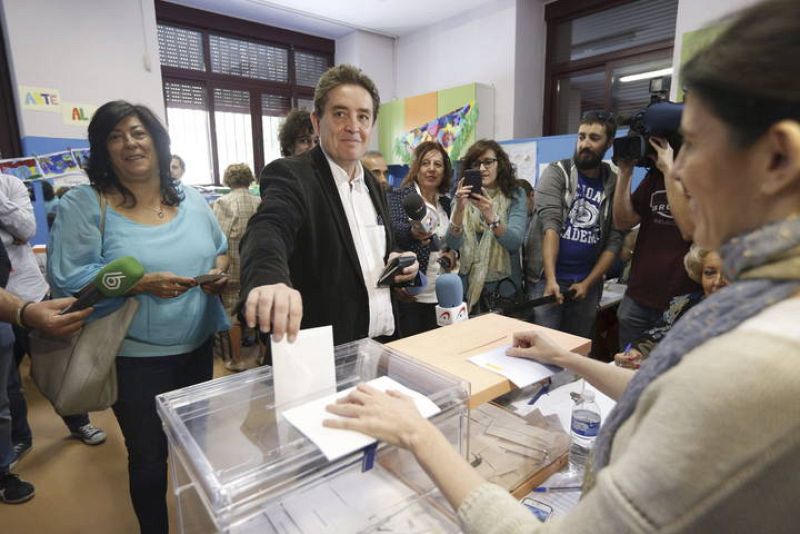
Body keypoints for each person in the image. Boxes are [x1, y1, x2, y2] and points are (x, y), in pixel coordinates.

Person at [324, 1, 800, 530]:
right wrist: (563, 357)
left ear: (777, 159)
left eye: (694, 144)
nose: (678, 171)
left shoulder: (760, 363)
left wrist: (418, 433)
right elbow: (667, 392)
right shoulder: (760, 307)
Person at [48, 100, 230, 533]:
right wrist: (140, 282)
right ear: (103, 149)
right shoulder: (87, 204)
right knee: (149, 459)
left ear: (157, 141)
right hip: (135, 359)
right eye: (115, 136)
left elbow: (219, 249)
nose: (129, 143)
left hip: (197, 348)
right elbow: (68, 277)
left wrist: (217, 273)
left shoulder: (190, 198)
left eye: (138, 132)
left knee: (194, 445)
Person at [239, 65, 418, 346]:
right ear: (316, 121)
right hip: (321, 352)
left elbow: (375, 245)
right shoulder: (292, 175)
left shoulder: (373, 184)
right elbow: (268, 228)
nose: (353, 127)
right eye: (340, 114)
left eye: (363, 116)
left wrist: (396, 256)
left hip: (381, 343)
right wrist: (268, 278)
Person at [0, 173, 106, 473]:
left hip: (31, 294)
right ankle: (20, 437)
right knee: (8, 382)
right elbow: (13, 236)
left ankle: (79, 422)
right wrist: (10, 236)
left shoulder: (10, 184)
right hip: (3, 307)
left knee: (58, 365)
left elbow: (27, 229)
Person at [525, 111, 625, 338]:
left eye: (594, 138)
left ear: (609, 143)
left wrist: (588, 283)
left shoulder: (613, 183)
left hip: (587, 283)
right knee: (543, 345)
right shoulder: (557, 173)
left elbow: (615, 240)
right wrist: (551, 279)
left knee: (576, 346)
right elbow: (550, 226)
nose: (585, 144)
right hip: (547, 280)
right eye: (581, 137)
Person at [612, 135, 699, 349]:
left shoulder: (702, 179)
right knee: (628, 363)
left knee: (668, 366)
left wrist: (669, 169)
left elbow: (689, 230)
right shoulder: (654, 177)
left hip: (680, 302)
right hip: (638, 296)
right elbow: (623, 221)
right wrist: (625, 172)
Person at [446, 139, 527, 311]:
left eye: (488, 162)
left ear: (500, 164)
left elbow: (514, 242)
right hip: (467, 290)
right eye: (476, 164)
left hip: (504, 291)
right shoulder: (462, 197)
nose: (482, 169)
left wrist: (491, 216)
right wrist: (459, 209)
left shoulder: (515, 194)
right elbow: (452, 243)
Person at [615, 246, 727, 369]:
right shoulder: (685, 304)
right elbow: (657, 337)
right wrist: (635, 353)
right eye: (710, 273)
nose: (717, 282)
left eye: (729, 273)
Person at [387, 141, 455, 336]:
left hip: (443, 294)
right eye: (425, 163)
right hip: (413, 294)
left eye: (438, 164)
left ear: (444, 171)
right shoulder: (400, 196)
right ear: (416, 168)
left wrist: (453, 252)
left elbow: (453, 238)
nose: (431, 169)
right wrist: (413, 233)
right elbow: (395, 230)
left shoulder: (447, 202)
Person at [211, 163, 261, 371]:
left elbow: (218, 237)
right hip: (257, 266)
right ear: (249, 179)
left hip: (233, 265)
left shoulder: (223, 202)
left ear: (228, 180)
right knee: (260, 309)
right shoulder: (260, 200)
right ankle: (262, 355)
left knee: (232, 313)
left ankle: (237, 359)